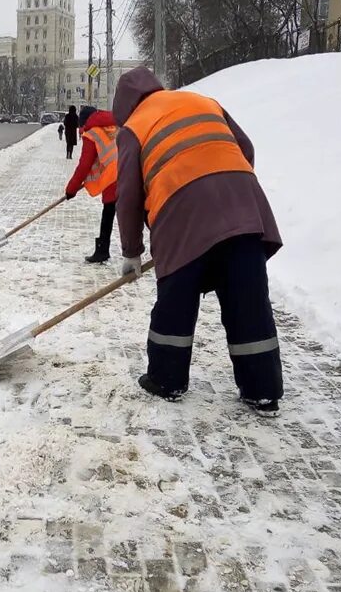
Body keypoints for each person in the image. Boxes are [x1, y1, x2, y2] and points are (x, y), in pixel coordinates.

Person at [112, 67, 284, 417]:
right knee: (248, 299)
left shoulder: (134, 127)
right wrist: (226, 187)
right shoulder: (203, 101)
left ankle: (166, 379)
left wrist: (131, 251)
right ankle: (262, 389)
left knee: (177, 299)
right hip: (243, 208)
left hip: (182, 212)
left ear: (124, 107)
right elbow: (245, 147)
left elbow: (127, 194)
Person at [65, 105, 118, 264]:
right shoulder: (113, 125)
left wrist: (71, 189)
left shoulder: (92, 133)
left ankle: (102, 251)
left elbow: (84, 165)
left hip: (114, 176)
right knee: (139, 212)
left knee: (108, 212)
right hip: (131, 170)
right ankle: (164, 247)